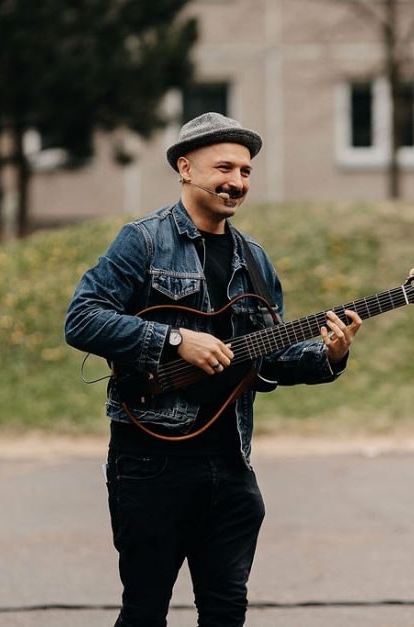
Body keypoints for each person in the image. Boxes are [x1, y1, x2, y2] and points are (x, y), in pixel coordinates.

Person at [64, 112, 362, 627]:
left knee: (226, 613)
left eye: (246, 172)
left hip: (230, 464)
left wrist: (329, 356)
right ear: (185, 167)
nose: (238, 182)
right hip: (150, 461)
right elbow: (82, 319)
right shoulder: (144, 242)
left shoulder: (255, 260)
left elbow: (264, 361)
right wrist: (175, 340)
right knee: (143, 613)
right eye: (225, 167)